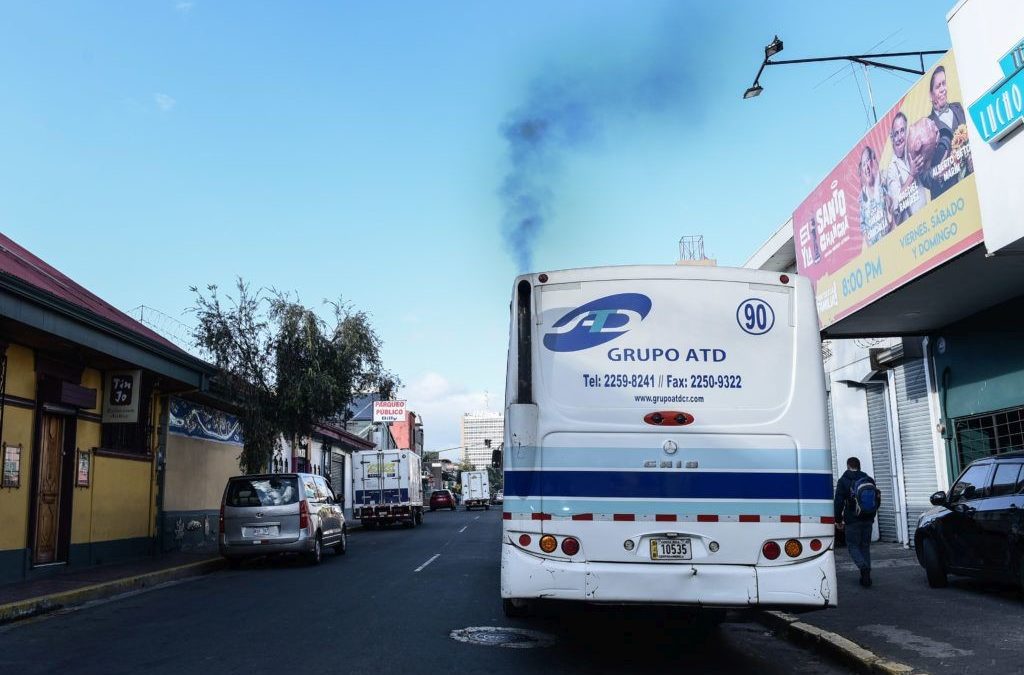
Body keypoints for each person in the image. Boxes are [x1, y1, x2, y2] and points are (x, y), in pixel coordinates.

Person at [920, 65, 972, 198]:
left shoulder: (958, 108)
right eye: (938, 86)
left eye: (944, 83)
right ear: (931, 94)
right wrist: (939, 172)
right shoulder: (926, 126)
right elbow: (924, 177)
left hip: (971, 182)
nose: (943, 89)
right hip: (948, 198)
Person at [834, 456, 879, 587]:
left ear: (848, 466)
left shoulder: (843, 481)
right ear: (859, 466)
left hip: (852, 519)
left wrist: (838, 520)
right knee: (865, 546)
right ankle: (866, 577)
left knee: (852, 545)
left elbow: (838, 502)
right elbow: (875, 499)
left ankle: (863, 568)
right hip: (867, 518)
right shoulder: (868, 479)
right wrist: (872, 516)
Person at [884, 112, 927, 226]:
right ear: (892, 137)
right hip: (910, 231)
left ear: (907, 130)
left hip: (927, 218)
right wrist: (912, 175)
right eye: (896, 133)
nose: (899, 137)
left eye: (902, 131)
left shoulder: (915, 148)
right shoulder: (891, 169)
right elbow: (896, 202)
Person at [858, 146, 891, 246]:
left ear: (873, 160)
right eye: (863, 164)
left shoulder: (884, 180)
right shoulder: (862, 199)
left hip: (892, 241)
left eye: (868, 161)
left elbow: (893, 208)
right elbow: (864, 229)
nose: (867, 168)